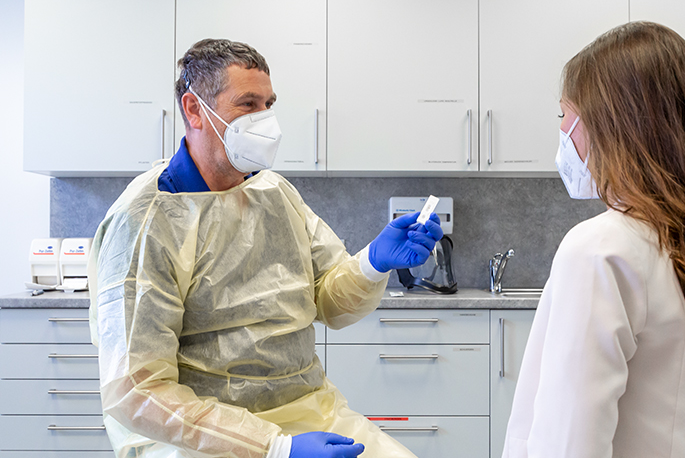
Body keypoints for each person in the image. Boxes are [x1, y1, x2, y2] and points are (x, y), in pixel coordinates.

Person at [88, 38, 443, 458]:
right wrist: (274, 448)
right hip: (196, 437)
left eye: (268, 104)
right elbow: (138, 390)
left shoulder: (273, 191)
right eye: (247, 104)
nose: (265, 120)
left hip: (310, 414)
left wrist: (372, 263)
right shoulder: (145, 221)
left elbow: (327, 301)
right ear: (194, 109)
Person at [502, 22, 685, 457]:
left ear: (614, 125)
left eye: (566, 115)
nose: (564, 131)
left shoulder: (601, 248)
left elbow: (570, 445)